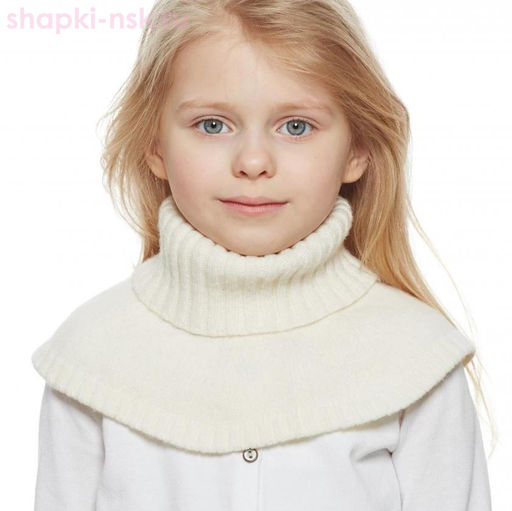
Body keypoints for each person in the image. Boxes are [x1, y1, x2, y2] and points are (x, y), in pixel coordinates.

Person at [31, 0, 494, 509]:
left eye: (295, 126)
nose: (253, 162)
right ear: (155, 146)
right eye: (212, 125)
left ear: (357, 150)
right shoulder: (92, 356)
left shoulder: (416, 357)